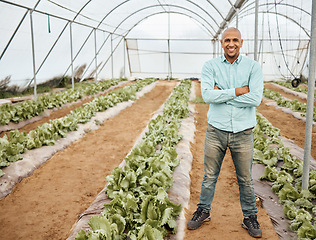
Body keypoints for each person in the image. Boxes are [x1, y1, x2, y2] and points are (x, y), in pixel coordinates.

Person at [187, 27, 264, 238]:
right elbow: (207, 96)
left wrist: (223, 94)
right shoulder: (210, 66)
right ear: (222, 43)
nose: (231, 44)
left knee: (246, 179)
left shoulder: (253, 67)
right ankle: (203, 210)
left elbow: (255, 99)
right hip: (216, 131)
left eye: (235, 40)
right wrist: (239, 90)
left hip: (243, 132)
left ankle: (249, 216)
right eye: (227, 40)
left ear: (241, 42)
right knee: (209, 175)